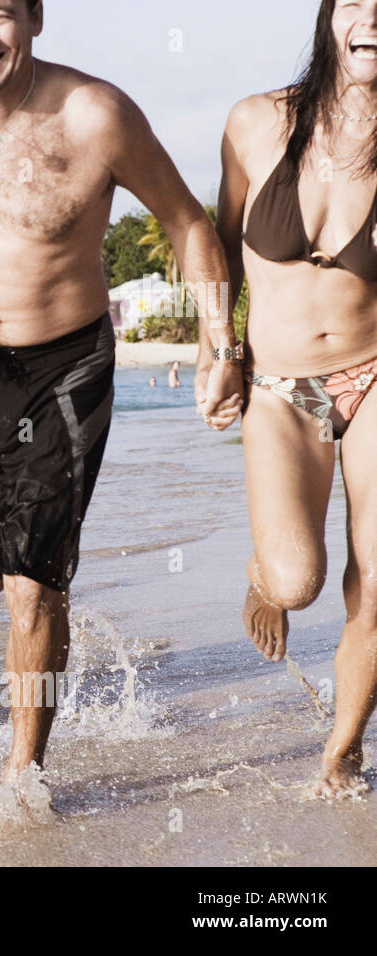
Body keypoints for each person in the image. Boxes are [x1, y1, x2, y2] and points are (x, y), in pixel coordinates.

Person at [0, 0, 241, 784]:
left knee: (33, 586)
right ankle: (32, 550)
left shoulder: (96, 116)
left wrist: (219, 345)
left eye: (0, 14)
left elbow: (189, 222)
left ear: (34, 18)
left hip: (64, 367)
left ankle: (22, 774)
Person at [218, 0, 377, 798]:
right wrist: (218, 350)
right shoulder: (255, 124)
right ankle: (262, 574)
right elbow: (215, 244)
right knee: (296, 582)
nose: (373, 17)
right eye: (355, 0)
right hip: (279, 386)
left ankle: (341, 755)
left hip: (375, 373)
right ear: (329, 19)